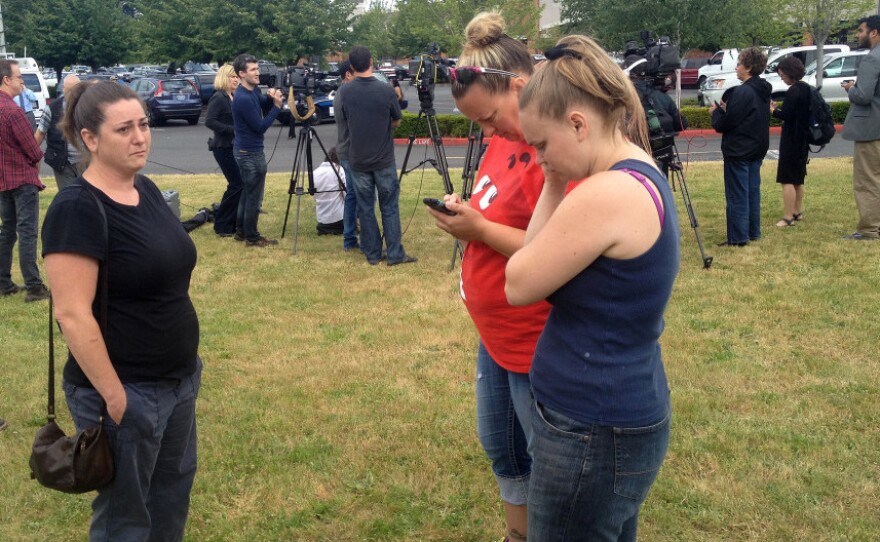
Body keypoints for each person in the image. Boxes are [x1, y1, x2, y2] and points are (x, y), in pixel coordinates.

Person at [506, 35, 680, 541]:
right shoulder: (638, 171)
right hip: (612, 415)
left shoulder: (606, 192)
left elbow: (519, 280)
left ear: (578, 123)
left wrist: (555, 181)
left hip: (592, 428)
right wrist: (557, 173)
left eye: (541, 144)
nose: (539, 158)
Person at [41, 81, 202, 541]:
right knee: (125, 516)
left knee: (170, 497)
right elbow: (72, 314)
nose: (140, 137)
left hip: (178, 379)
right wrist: (116, 399)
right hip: (125, 391)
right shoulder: (77, 208)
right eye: (125, 129)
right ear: (90, 139)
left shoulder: (144, 188)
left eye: (144, 125)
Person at [426, 12, 550, 541]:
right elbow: (497, 208)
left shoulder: (554, 152)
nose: (487, 131)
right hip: (496, 332)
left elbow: (553, 251)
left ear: (518, 87)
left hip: (532, 338)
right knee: (503, 448)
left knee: (543, 458)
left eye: (488, 117)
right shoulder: (505, 136)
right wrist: (468, 213)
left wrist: (477, 229)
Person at [337, 46, 415, 266]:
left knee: (365, 207)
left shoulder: (346, 92)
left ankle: (372, 253)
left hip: (358, 160)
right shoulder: (385, 89)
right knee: (389, 206)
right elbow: (397, 120)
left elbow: (345, 120)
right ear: (371, 61)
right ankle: (395, 254)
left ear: (351, 66)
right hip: (383, 160)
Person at [709, 47, 771, 247]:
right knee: (752, 191)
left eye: (738, 64)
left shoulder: (743, 91)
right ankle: (753, 232)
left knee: (738, 194)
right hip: (756, 148)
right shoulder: (762, 89)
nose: (736, 68)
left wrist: (716, 113)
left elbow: (726, 124)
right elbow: (746, 115)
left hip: (740, 150)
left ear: (749, 67)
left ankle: (738, 237)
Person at [0, 59, 49, 303]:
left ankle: (3, 282)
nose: (22, 81)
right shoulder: (13, 111)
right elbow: (32, 148)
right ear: (6, 80)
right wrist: (37, 158)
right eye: (19, 77)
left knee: (7, 230)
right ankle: (34, 286)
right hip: (21, 179)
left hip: (3, 181)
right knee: (27, 232)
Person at [231, 53, 283, 247]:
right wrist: (277, 107)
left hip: (246, 151)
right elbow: (260, 126)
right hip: (250, 153)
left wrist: (270, 98)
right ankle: (252, 237)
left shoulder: (251, 91)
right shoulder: (243, 98)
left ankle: (242, 231)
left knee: (247, 192)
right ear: (242, 73)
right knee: (253, 196)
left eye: (257, 69)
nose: (257, 73)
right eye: (253, 70)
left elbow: (261, 104)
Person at [841, 15, 880, 241]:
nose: (857, 35)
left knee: (867, 181)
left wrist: (851, 89)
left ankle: (868, 230)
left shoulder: (872, 59)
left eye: (860, 30)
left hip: (871, 129)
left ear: (874, 32)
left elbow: (864, 96)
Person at [770, 56, 810, 227]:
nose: (781, 77)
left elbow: (787, 115)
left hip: (791, 139)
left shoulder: (794, 91)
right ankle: (797, 211)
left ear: (789, 72)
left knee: (786, 179)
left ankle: (788, 217)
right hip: (803, 139)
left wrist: (773, 110)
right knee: (798, 179)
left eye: (782, 74)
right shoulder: (806, 88)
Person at [205, 64, 243, 238]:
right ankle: (222, 224)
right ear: (223, 78)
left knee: (239, 185)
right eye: (232, 76)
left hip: (233, 146)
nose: (236, 79)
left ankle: (231, 221)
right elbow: (210, 121)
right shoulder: (218, 97)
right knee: (236, 185)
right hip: (223, 147)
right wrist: (232, 129)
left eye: (237, 77)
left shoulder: (232, 96)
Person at [35, 75, 83, 191]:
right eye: (69, 89)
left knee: (88, 197)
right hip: (62, 163)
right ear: (63, 89)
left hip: (86, 161)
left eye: (75, 90)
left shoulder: (89, 107)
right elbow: (40, 133)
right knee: (68, 196)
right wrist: (31, 155)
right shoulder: (51, 109)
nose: (72, 93)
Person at [333, 59, 359, 251]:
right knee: (359, 195)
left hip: (347, 150)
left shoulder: (343, 92)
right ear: (348, 75)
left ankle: (350, 237)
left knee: (353, 195)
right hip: (351, 151)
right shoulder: (346, 94)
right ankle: (351, 238)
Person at [312, 146, 346, 235]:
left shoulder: (315, 172)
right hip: (339, 219)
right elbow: (347, 195)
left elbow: (314, 195)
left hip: (322, 220)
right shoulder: (339, 170)